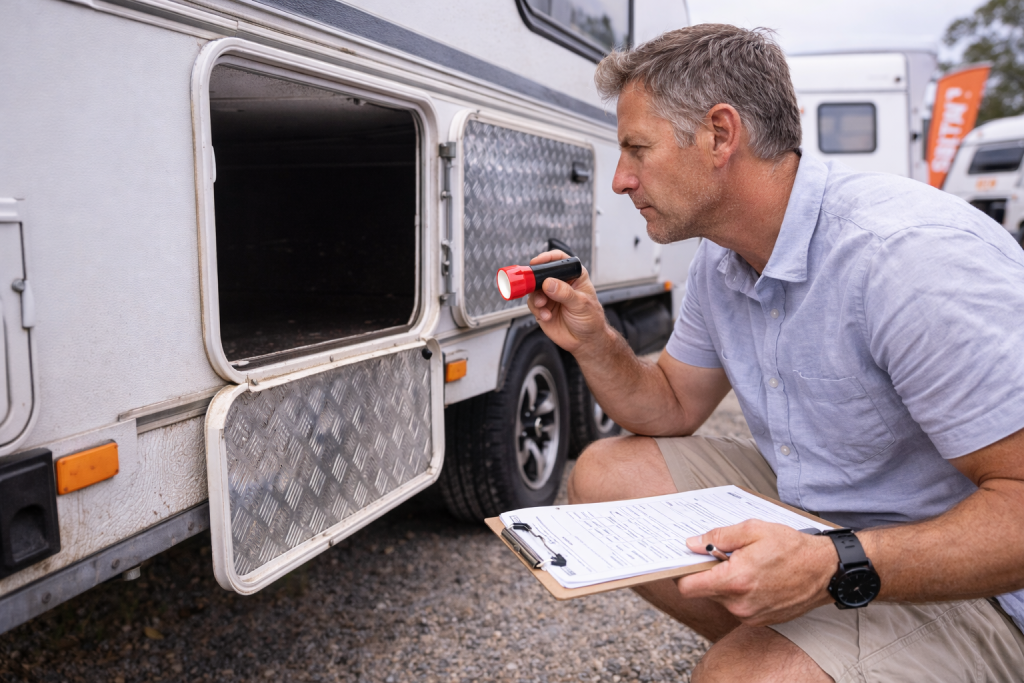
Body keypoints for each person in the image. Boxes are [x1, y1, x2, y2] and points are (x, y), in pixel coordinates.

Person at [526, 24, 1024, 682]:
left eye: (636, 149)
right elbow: (671, 406)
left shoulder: (903, 259)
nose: (621, 180)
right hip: (832, 533)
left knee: (736, 676)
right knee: (606, 477)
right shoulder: (723, 260)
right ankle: (823, 650)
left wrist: (831, 565)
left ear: (721, 135)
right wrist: (592, 336)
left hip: (981, 590)